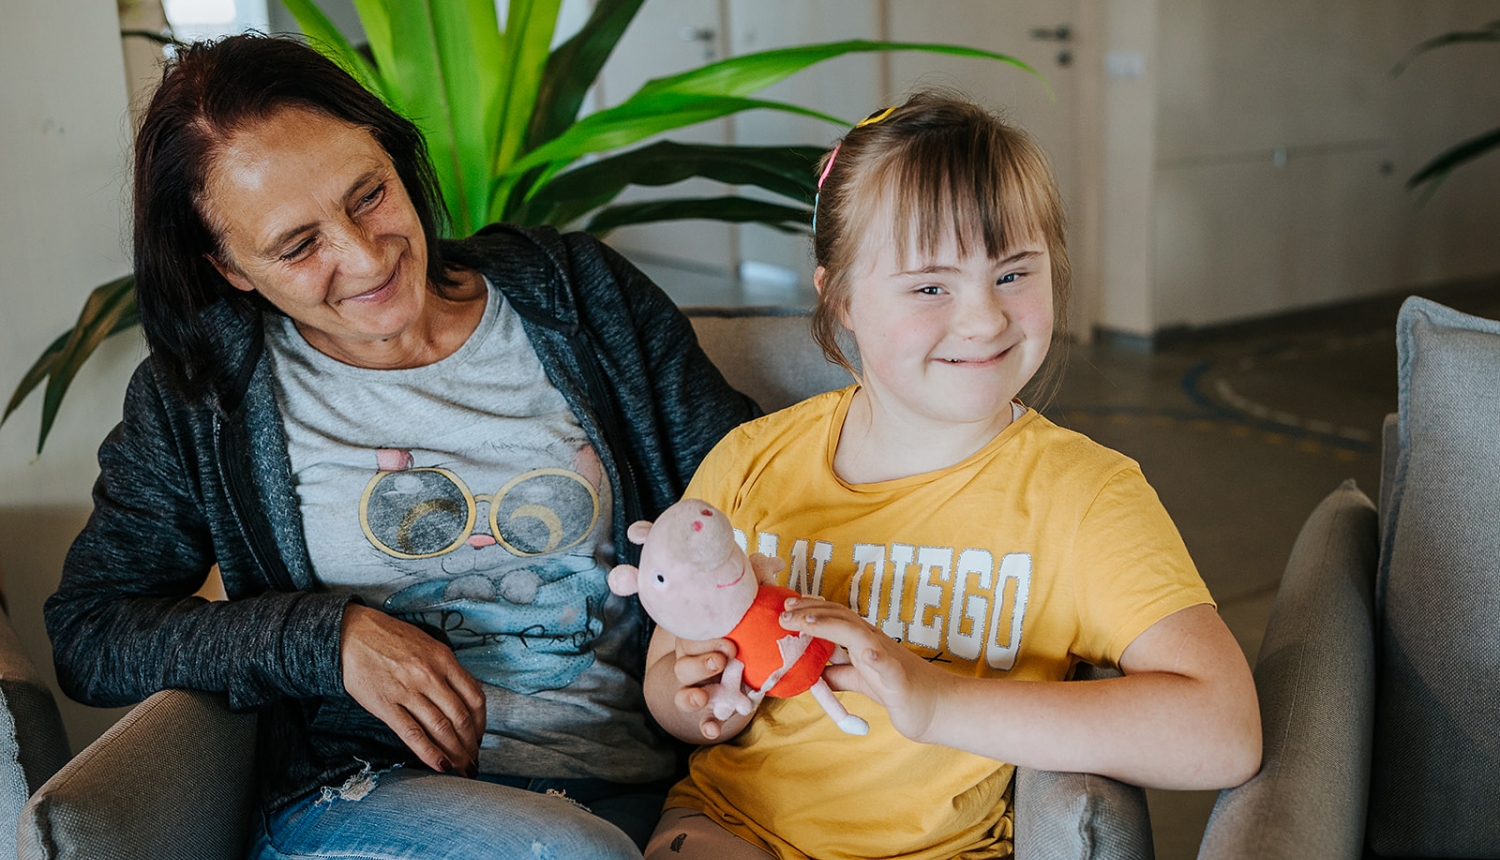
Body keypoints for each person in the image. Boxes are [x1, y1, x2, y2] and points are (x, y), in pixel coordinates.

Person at [44, 34, 759, 859]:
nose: (363, 254)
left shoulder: (578, 298)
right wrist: (327, 637)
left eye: (369, 194)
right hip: (366, 802)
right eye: (297, 245)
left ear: (395, 155)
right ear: (231, 268)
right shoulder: (203, 397)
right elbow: (91, 632)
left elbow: (751, 492)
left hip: (630, 792)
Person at [638, 92, 1262, 860]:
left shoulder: (1082, 496)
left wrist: (936, 702)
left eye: (1012, 275)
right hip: (729, 824)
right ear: (839, 299)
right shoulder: (748, 460)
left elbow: (1225, 731)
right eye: (931, 286)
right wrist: (698, 700)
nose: (983, 320)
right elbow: (666, 672)